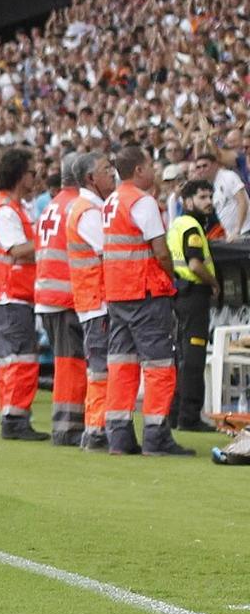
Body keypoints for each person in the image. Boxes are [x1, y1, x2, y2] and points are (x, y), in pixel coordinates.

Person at [102, 145, 194, 456]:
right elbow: (161, 251)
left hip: (117, 293)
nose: (154, 170)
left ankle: (119, 437)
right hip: (145, 292)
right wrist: (173, 277)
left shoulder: (112, 201)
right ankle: (156, 436)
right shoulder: (142, 202)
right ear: (139, 170)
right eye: (150, 165)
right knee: (158, 365)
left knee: (121, 365)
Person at [0, 148, 45, 442]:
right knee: (20, 357)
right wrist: (48, 241)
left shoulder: (12, 207)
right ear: (20, 175)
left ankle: (13, 415)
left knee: (13, 358)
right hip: (10, 293)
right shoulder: (6, 210)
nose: (36, 177)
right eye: (32, 173)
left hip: (10, 293)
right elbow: (17, 250)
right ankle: (16, 418)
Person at [34, 154, 86, 446]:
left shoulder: (52, 205)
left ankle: (67, 424)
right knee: (72, 366)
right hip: (67, 297)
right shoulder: (77, 206)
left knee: (66, 364)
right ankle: (68, 427)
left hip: (49, 295)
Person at [65, 151, 115, 451]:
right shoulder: (89, 212)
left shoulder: (85, 207)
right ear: (90, 179)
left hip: (92, 299)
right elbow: (109, 251)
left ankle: (98, 425)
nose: (112, 173)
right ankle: (97, 429)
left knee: (101, 368)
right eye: (106, 169)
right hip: (99, 300)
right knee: (102, 369)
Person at [170, 178, 218, 433]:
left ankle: (175, 413)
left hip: (180, 295)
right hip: (194, 295)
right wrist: (214, 283)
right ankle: (189, 417)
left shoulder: (178, 223)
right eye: (202, 197)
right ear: (188, 202)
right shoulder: (192, 227)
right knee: (194, 357)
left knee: (181, 356)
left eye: (210, 196)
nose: (208, 202)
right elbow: (195, 264)